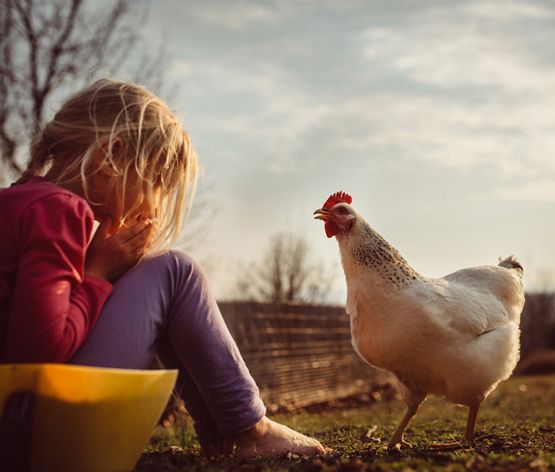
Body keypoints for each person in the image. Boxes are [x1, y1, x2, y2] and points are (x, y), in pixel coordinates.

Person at [0, 79, 326, 458]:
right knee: (175, 271)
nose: (154, 209)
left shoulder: (20, 203)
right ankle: (247, 428)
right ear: (111, 156)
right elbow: (39, 350)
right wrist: (99, 273)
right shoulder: (59, 209)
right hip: (30, 432)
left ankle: (226, 435)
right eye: (157, 182)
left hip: (18, 419)